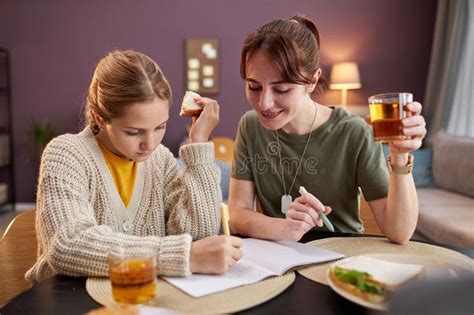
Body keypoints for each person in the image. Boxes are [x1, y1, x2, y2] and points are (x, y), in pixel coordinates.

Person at [26, 50, 243, 283]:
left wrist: (199, 142)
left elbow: (199, 235)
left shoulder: (160, 159)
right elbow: (67, 245)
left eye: (160, 127)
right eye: (133, 132)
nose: (149, 144)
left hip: (143, 300)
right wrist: (185, 256)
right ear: (99, 117)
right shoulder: (66, 154)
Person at [228, 15, 427, 244]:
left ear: (312, 81)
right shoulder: (250, 126)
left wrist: (400, 156)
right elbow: (237, 213)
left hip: (343, 259)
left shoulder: (354, 132)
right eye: (254, 87)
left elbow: (399, 233)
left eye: (281, 89)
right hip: (279, 259)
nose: (264, 104)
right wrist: (285, 229)